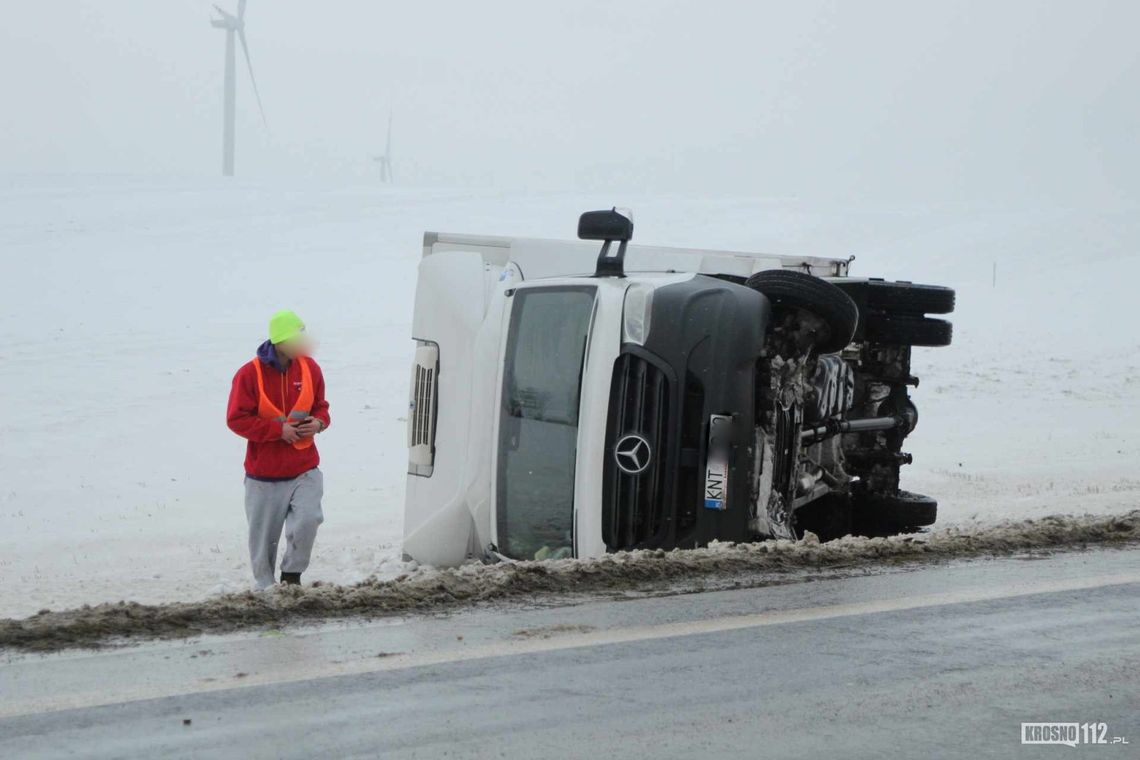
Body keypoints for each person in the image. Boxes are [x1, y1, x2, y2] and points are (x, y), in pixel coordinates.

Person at [226, 310, 330, 588]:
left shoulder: (311, 368)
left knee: (309, 520)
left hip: (304, 468)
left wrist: (319, 422)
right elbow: (236, 419)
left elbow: (322, 406)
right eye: (297, 337)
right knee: (263, 542)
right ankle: (265, 590)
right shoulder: (248, 374)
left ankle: (292, 577)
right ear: (280, 341)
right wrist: (277, 431)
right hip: (264, 476)